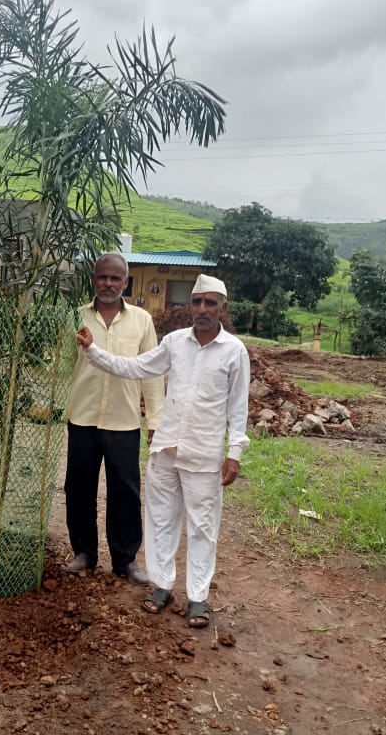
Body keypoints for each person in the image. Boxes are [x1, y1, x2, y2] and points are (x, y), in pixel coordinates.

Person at [75, 273, 249, 627]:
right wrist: (93, 351)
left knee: (202, 527)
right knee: (161, 520)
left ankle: (198, 598)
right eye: (197, 302)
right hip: (167, 449)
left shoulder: (234, 351)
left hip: (204, 454)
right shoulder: (175, 343)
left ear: (222, 308)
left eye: (210, 303)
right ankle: (162, 586)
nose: (202, 309)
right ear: (190, 305)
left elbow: (238, 407)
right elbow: (136, 367)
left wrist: (235, 452)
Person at [64, 252, 165, 584]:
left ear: (125, 282)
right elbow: (62, 365)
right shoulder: (76, 316)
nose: (108, 283)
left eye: (115, 278)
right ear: (93, 279)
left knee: (125, 492)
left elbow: (152, 372)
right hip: (83, 417)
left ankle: (125, 560)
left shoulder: (141, 320)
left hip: (124, 421)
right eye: (102, 277)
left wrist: (155, 420)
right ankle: (84, 553)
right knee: (79, 488)